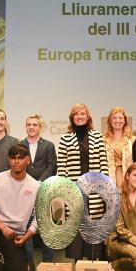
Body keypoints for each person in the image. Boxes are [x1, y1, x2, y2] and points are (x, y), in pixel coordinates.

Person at [56, 103, 109, 260]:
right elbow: (62, 167)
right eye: (76, 114)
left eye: (82, 114)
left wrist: (103, 190)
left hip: (94, 190)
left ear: (88, 117)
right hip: (74, 190)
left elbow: (103, 165)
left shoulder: (97, 136)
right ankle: (77, 261)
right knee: (76, 226)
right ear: (72, 118)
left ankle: (92, 262)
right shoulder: (65, 139)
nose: (80, 117)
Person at [21, 114, 57, 271]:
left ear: (40, 127)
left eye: (34, 124)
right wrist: (29, 183)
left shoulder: (48, 145)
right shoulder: (20, 144)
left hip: (44, 190)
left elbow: (52, 166)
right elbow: (18, 166)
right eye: (28, 124)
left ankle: (48, 263)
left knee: (45, 228)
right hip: (25, 191)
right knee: (26, 227)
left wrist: (39, 182)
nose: (31, 127)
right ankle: (28, 262)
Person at [104, 106, 135, 190]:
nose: (117, 121)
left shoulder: (132, 140)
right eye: (114, 118)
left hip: (128, 180)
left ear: (125, 121)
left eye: (120, 118)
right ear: (110, 121)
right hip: (108, 181)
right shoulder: (103, 140)